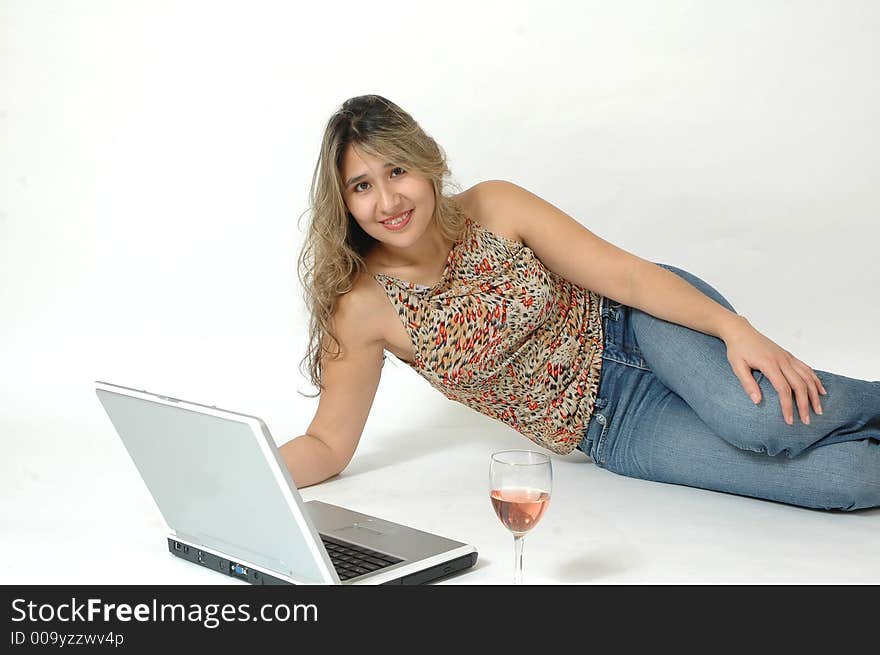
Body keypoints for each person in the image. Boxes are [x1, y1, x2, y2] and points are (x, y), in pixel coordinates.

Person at [280, 94, 880, 511]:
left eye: (397, 170)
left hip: (639, 326)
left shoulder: (494, 207)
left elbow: (630, 278)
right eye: (362, 186)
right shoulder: (361, 306)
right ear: (344, 202)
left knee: (762, 420)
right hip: (613, 428)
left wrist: (734, 328)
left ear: (426, 163)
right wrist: (233, 480)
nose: (388, 199)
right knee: (844, 479)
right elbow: (328, 445)